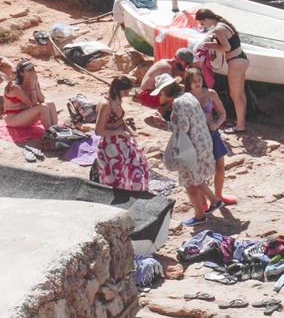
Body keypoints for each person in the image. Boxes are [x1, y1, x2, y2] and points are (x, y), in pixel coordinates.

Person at [160, 81, 217, 222]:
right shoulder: (189, 96)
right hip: (203, 141)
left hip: (191, 146)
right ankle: (212, 202)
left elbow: (183, 128)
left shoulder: (178, 103)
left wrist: (163, 124)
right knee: (196, 178)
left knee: (188, 182)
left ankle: (201, 214)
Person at [90, 76, 151, 194]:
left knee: (138, 166)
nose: (127, 94)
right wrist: (119, 132)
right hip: (110, 145)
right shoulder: (105, 105)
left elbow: (120, 119)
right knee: (117, 177)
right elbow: (98, 131)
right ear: (118, 89)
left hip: (122, 140)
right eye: (126, 91)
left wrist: (128, 131)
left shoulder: (117, 100)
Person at [187, 72, 233, 209]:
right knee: (199, 170)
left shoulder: (211, 94)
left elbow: (223, 113)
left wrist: (216, 124)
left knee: (220, 166)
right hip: (196, 137)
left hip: (212, 133)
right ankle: (203, 203)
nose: (197, 82)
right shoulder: (186, 98)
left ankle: (219, 195)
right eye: (194, 80)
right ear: (188, 82)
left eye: (199, 79)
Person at [136, 48, 193, 119]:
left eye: (189, 64)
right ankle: (162, 111)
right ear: (177, 58)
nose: (187, 66)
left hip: (154, 93)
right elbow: (169, 89)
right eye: (186, 63)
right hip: (147, 96)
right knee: (177, 91)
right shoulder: (166, 67)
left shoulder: (173, 65)